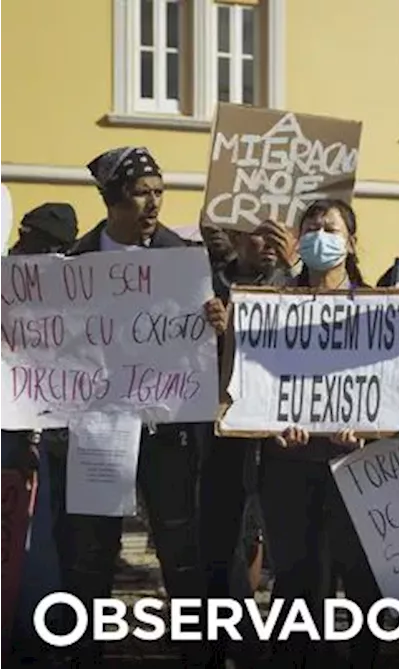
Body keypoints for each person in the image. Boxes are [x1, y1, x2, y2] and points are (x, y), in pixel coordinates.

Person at [53, 147, 226, 666]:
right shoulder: (73, 264)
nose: (153, 204)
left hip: (166, 430)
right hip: (99, 431)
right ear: (112, 200)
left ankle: (196, 651)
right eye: (140, 193)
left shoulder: (187, 259)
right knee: (92, 551)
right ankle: (83, 652)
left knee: (179, 547)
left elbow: (207, 341)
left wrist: (217, 322)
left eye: (159, 192)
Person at [260, 199, 382, 669]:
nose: (318, 236)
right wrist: (270, 425)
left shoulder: (381, 307)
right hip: (289, 466)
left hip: (356, 466)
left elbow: (391, 386)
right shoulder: (273, 304)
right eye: (310, 228)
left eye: (329, 228)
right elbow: (257, 381)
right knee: (295, 579)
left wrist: (370, 429)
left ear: (350, 241)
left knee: (359, 579)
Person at [205, 222, 295, 667]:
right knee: (226, 541)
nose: (275, 242)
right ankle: (233, 639)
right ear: (238, 237)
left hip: (281, 439)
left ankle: (279, 642)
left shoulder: (297, 283)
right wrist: (217, 332)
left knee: (283, 545)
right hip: (224, 438)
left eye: (283, 233)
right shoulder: (206, 280)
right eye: (263, 232)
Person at [2, 203, 78, 661]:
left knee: (46, 549)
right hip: (11, 439)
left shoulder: (74, 297)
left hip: (55, 445)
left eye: (53, 252)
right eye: (33, 247)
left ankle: (42, 641)